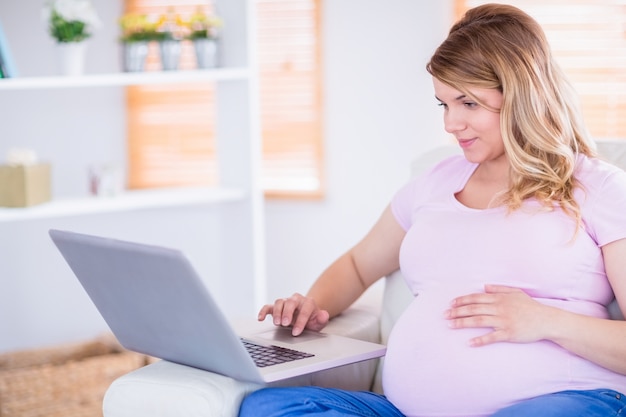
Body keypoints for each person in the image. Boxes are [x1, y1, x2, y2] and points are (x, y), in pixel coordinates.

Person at [238, 3, 626, 416]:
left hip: (564, 402)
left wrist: (546, 320)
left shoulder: (598, 189)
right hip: (406, 410)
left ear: (522, 96)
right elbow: (356, 265)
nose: (450, 124)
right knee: (269, 406)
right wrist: (313, 304)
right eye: (443, 104)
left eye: (468, 104)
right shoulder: (434, 183)